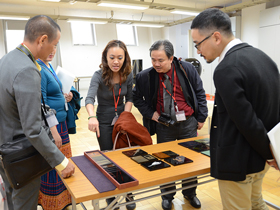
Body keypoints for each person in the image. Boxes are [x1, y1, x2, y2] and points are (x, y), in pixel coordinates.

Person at [191, 8, 280, 209]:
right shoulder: (263, 58)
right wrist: (270, 151)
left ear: (216, 37)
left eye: (198, 44)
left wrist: (268, 153)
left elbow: (246, 121)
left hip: (238, 162)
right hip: (260, 159)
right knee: (256, 202)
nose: (197, 51)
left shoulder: (226, 69)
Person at [0, 15, 75, 210]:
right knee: (24, 203)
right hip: (21, 153)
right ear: (42, 40)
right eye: (55, 43)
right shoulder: (27, 69)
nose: (54, 49)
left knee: (12, 199)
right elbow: (33, 129)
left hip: (5, 148)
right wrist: (61, 161)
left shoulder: (8, 59)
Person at [133, 40, 208, 210]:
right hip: (164, 126)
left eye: (160, 60)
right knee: (165, 162)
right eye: (153, 60)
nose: (156, 64)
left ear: (171, 58)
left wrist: (202, 117)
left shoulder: (187, 69)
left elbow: (199, 92)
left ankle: (190, 194)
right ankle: (167, 196)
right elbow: (137, 97)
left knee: (189, 161)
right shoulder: (146, 76)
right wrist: (152, 115)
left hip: (188, 123)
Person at [85, 40, 135, 210]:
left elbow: (130, 98)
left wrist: (126, 116)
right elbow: (89, 98)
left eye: (120, 58)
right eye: (112, 57)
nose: (116, 61)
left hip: (122, 119)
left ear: (124, 58)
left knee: (124, 155)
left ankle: (128, 192)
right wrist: (92, 116)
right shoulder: (98, 75)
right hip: (104, 120)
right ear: (105, 58)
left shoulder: (127, 74)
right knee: (108, 158)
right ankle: (111, 196)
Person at [37, 46, 74, 210]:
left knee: (64, 162)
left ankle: (64, 200)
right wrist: (54, 132)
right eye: (49, 47)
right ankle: (53, 204)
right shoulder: (38, 68)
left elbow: (54, 92)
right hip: (53, 127)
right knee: (54, 163)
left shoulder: (48, 65)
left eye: (54, 47)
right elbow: (42, 103)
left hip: (61, 123)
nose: (52, 51)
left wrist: (65, 95)